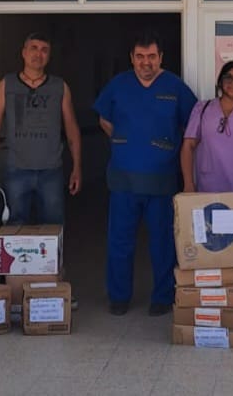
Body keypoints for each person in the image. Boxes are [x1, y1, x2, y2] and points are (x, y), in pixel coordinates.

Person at [94, 30, 197, 317]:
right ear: (132, 58)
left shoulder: (175, 87)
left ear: (160, 57)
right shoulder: (119, 85)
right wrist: (124, 140)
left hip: (162, 181)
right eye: (140, 57)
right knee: (120, 242)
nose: (146, 62)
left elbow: (191, 126)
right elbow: (104, 119)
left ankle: (162, 297)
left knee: (163, 243)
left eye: (151, 56)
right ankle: (119, 297)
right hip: (123, 180)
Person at [0, 32, 82, 225]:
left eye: (44, 50)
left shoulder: (60, 87)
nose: (38, 54)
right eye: (34, 48)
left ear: (49, 55)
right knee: (15, 227)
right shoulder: (7, 85)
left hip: (51, 170)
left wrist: (77, 167)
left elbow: (72, 128)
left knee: (52, 228)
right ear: (24, 52)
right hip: (16, 169)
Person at [180, 60, 233, 193]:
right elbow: (188, 146)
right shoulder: (203, 108)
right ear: (220, 81)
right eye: (228, 77)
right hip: (209, 185)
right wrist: (188, 183)